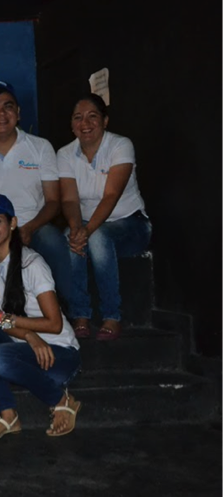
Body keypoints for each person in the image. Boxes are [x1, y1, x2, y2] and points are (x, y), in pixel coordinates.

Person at [0, 193, 82, 440]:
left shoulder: (32, 264)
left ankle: (61, 400)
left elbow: (54, 324)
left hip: (57, 355)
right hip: (23, 349)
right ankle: (8, 415)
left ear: (12, 223)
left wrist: (16, 324)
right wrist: (29, 335)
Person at [0, 81, 71, 304]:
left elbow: (53, 201)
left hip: (34, 226)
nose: (1, 113)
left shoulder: (41, 147)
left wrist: (28, 228)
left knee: (53, 240)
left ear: (18, 113)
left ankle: (68, 310)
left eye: (8, 106)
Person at [58, 94, 151, 340]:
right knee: (68, 237)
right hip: (89, 226)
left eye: (92, 116)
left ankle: (112, 315)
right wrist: (76, 229)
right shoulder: (64, 154)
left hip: (131, 224)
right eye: (78, 117)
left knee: (98, 237)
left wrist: (87, 231)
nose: (85, 123)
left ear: (105, 120)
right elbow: (69, 200)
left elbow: (111, 196)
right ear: (71, 124)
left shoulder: (120, 145)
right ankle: (80, 315)